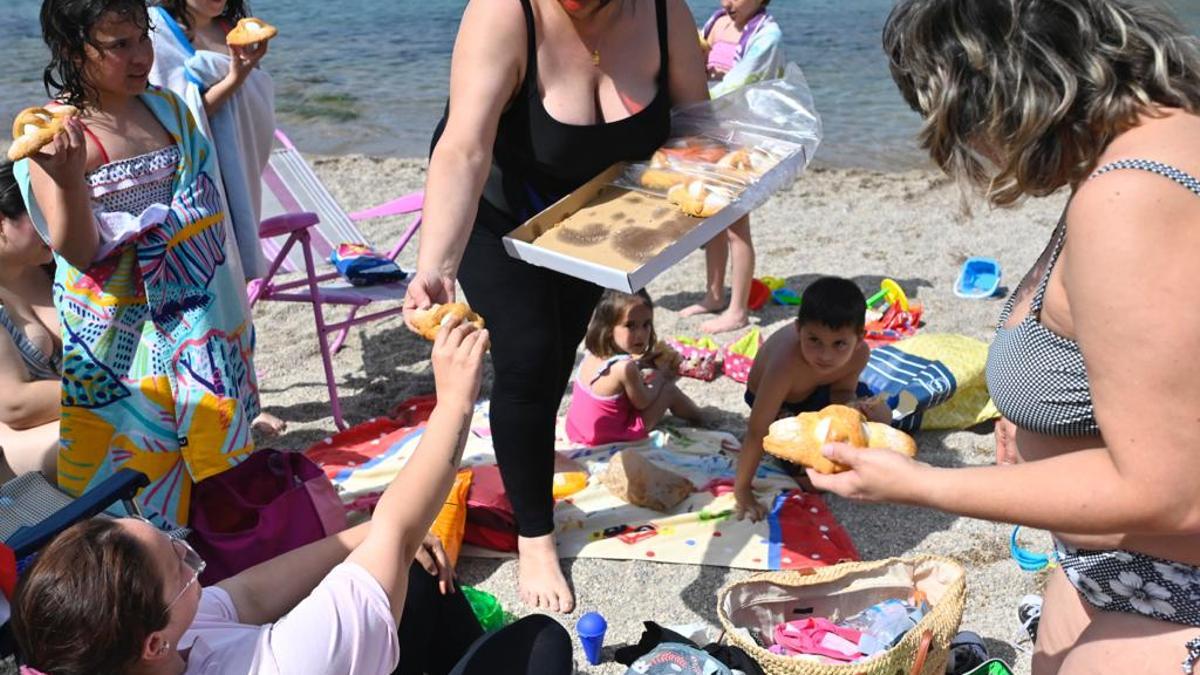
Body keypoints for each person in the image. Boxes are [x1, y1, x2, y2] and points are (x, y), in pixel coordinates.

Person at [809, 1, 1200, 673]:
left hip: (1171, 588)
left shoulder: (1130, 195)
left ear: (993, 91)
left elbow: (1171, 490)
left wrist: (922, 484)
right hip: (1116, 565)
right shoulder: (1160, 137)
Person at [12, 319, 576, 675]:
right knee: (541, 645)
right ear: (154, 642)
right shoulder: (285, 662)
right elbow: (399, 527)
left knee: (419, 577)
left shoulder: (137, 651)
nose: (193, 560)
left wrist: (357, 535)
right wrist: (454, 399)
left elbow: (250, 595)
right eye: (182, 567)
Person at [406, 0, 711, 612]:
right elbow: (464, 148)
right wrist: (435, 265)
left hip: (590, 220)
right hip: (491, 213)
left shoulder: (660, 10)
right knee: (528, 357)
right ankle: (535, 536)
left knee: (558, 354)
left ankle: (531, 470)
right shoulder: (504, 12)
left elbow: (700, 126)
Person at [17, 0, 263, 529]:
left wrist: (239, 73)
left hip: (194, 321)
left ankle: (212, 563)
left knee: (206, 466)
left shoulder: (167, 109)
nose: (140, 57)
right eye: (118, 45)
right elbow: (78, 253)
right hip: (118, 345)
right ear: (70, 50)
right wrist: (63, 180)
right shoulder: (61, 134)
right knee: (133, 475)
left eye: (143, 39)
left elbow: (199, 173)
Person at [732, 276, 879, 521]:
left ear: (859, 338)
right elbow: (758, 430)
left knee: (880, 414)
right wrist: (742, 489)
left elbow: (842, 392)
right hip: (780, 402)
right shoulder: (785, 365)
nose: (825, 355)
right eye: (814, 340)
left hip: (820, 391)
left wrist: (849, 409)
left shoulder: (859, 354)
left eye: (839, 344)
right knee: (806, 469)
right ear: (799, 329)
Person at [148, 0, 275, 282]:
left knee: (234, 268)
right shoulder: (156, 31)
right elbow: (175, 120)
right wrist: (234, 79)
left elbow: (251, 102)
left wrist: (241, 78)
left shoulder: (232, 29)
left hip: (242, 164)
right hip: (195, 176)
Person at [679, 0, 784, 334]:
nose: (727, 2)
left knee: (737, 227)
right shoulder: (716, 22)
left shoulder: (768, 34)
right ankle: (713, 295)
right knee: (710, 219)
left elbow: (741, 81)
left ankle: (737, 309)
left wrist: (691, 101)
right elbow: (697, 58)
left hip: (742, 136)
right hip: (711, 129)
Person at [565, 289, 703, 446]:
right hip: (609, 437)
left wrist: (644, 365)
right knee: (668, 390)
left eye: (646, 325)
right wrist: (661, 376)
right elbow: (643, 402)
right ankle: (699, 417)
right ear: (608, 328)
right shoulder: (625, 367)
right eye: (630, 326)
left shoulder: (593, 353)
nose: (641, 334)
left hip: (578, 429)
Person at [0, 161, 59, 482]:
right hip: (11, 441)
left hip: (82, 410)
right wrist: (114, 393)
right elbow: (15, 405)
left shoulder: (55, 264)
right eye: (39, 214)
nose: (53, 221)